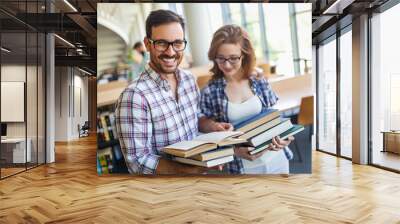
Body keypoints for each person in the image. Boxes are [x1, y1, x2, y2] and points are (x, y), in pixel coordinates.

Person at [115, 10, 230, 175]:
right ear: (147, 44)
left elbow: (194, 117)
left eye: (177, 43)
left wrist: (213, 127)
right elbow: (137, 162)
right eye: (162, 43)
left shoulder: (189, 80)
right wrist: (188, 171)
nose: (170, 52)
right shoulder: (134, 97)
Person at [199, 25, 294, 174]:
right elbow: (202, 133)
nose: (227, 65)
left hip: (277, 158)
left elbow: (275, 117)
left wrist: (286, 136)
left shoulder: (258, 80)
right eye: (221, 58)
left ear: (244, 55)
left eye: (233, 58)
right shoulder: (210, 91)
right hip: (242, 166)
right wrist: (232, 149)